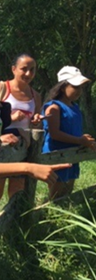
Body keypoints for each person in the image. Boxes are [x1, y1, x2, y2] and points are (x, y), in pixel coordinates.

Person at [0, 53, 42, 222]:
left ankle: (12, 228)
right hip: (1, 147)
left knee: (17, 191)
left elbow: (34, 126)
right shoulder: (0, 88)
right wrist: (9, 119)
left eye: (32, 70)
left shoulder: (35, 95)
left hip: (22, 149)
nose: (29, 74)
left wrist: (36, 121)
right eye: (24, 69)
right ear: (14, 69)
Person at [42, 66, 96, 199]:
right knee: (57, 191)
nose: (79, 91)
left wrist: (83, 140)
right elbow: (55, 133)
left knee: (68, 189)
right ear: (62, 87)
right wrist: (80, 140)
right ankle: (50, 215)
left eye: (81, 87)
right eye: (76, 87)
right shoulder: (54, 107)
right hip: (57, 154)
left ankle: (64, 214)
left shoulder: (75, 107)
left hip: (72, 153)